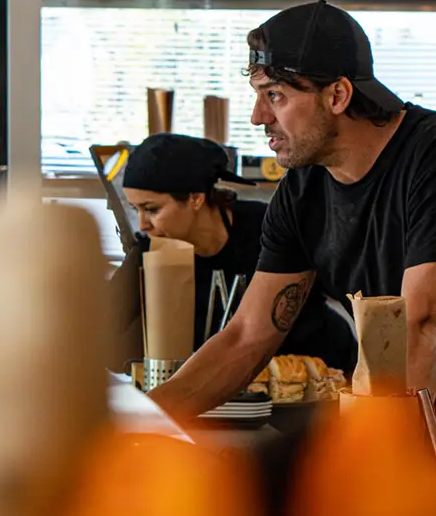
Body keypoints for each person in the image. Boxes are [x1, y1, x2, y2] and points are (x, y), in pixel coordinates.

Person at [151, 1, 436, 444]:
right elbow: (248, 336)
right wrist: (143, 421)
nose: (258, 116)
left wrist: (369, 464)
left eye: (276, 96)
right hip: (412, 415)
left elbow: (423, 325)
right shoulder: (303, 189)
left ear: (338, 96)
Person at [110, 132, 355, 373]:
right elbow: (101, 333)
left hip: (319, 373)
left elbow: (351, 291)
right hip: (225, 389)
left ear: (196, 198)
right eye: (136, 209)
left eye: (152, 209)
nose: (142, 224)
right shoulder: (148, 251)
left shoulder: (271, 228)